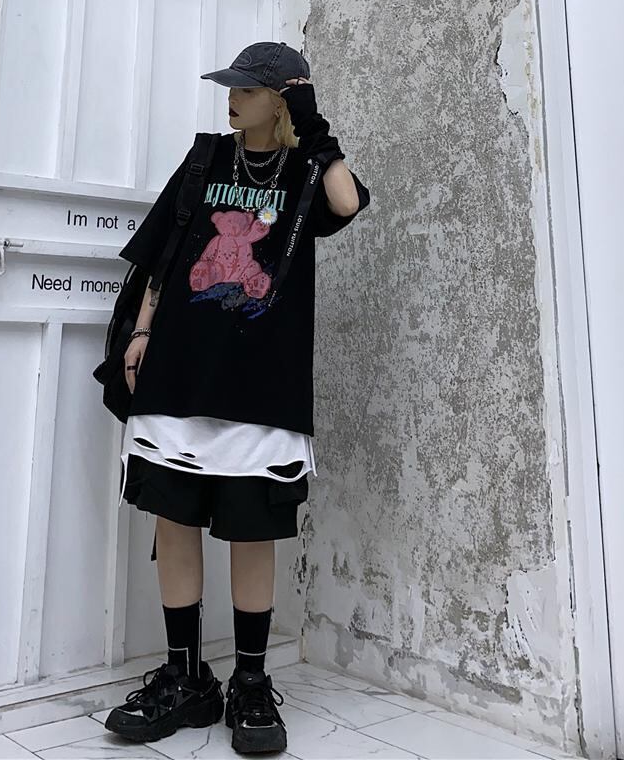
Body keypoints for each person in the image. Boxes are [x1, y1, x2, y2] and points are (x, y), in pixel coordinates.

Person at [104, 39, 369, 752]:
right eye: (232, 86)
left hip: (262, 379)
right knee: (173, 518)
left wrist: (314, 126)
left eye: (249, 89)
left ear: (280, 100)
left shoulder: (308, 170)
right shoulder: (206, 160)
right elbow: (165, 257)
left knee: (253, 529)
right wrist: (142, 331)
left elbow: (347, 202)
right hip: (180, 367)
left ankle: (250, 682)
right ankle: (186, 677)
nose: (233, 98)